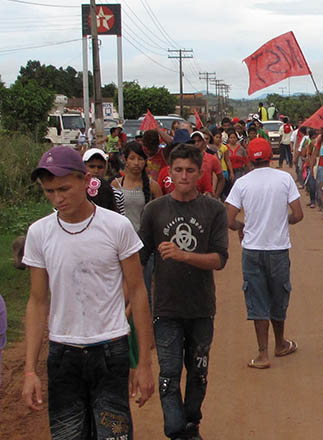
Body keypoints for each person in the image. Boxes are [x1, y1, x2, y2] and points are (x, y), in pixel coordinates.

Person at [21, 146, 155, 438]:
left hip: (110, 350)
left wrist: (143, 363)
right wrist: (30, 370)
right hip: (62, 353)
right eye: (49, 191)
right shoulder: (39, 234)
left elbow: (138, 292)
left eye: (64, 188)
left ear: (85, 181)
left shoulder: (116, 227)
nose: (57, 198)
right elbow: (37, 301)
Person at [139, 143, 229, 440]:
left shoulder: (213, 209)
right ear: (169, 172)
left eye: (190, 170)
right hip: (166, 309)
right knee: (169, 374)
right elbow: (139, 259)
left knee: (198, 373)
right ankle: (177, 431)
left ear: (200, 172)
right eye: (178, 170)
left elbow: (219, 259)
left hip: (201, 308)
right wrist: (130, 298)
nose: (184, 176)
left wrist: (183, 255)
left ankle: (192, 423)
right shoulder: (154, 211)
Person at [225, 138, 303, 369]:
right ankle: (280, 343)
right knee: (279, 296)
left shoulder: (242, 183)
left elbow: (229, 219)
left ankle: (262, 354)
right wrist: (281, 221)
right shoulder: (284, 178)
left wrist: (243, 227)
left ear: (249, 159)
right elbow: (298, 214)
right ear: (271, 156)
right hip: (278, 249)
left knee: (257, 297)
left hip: (252, 249)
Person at [113, 141, 163, 232]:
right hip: (121, 236)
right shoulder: (116, 184)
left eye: (140, 159)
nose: (136, 163)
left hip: (145, 238)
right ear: (125, 159)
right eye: (132, 158)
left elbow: (160, 215)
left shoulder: (153, 186)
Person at [82, 148, 125, 214]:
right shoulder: (75, 192)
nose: (96, 171)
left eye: (100, 167)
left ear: (105, 168)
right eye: (92, 166)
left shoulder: (117, 194)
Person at [191, 130, 225, 198]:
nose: (196, 143)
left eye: (199, 141)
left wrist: (216, 195)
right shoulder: (185, 159)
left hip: (206, 196)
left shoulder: (212, 158)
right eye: (193, 141)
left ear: (204, 142)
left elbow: (221, 178)